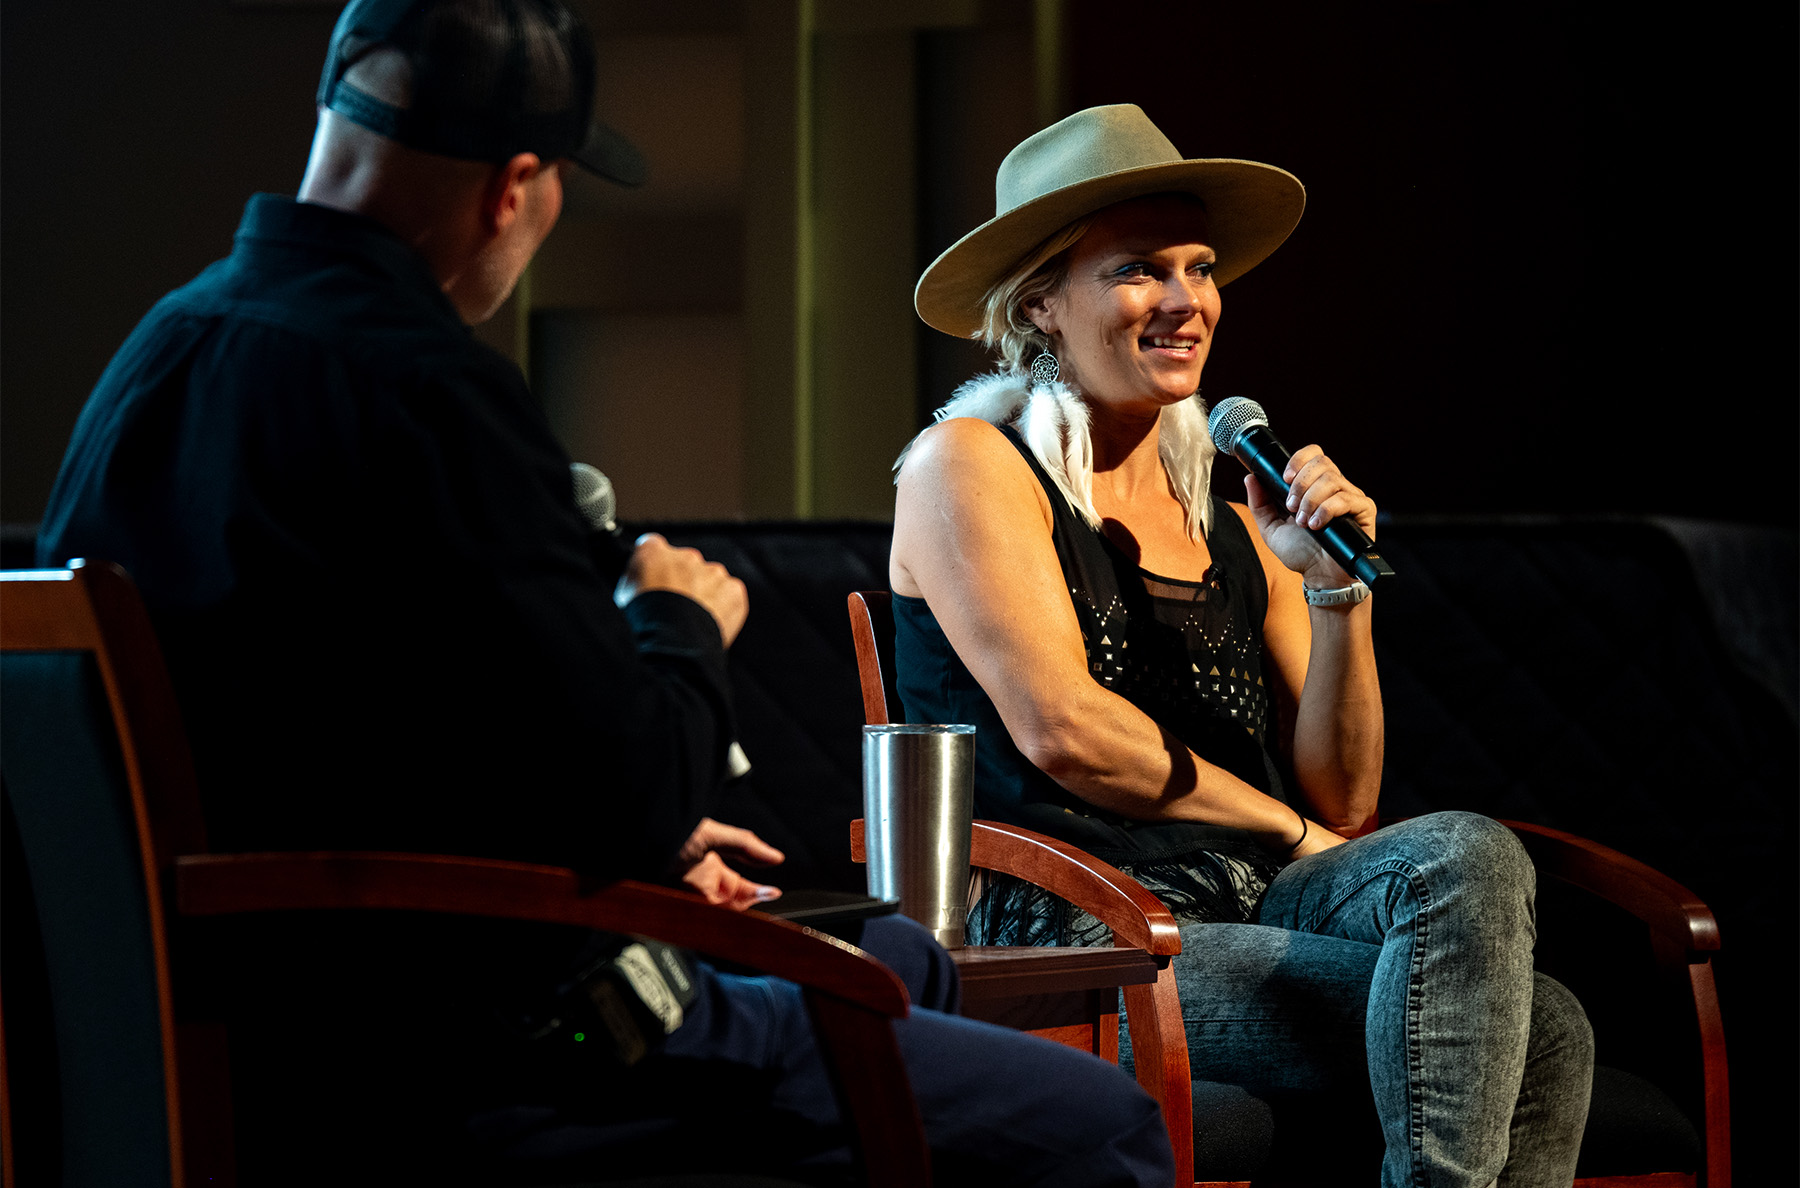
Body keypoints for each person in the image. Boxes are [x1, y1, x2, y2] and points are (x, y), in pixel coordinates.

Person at [34, 8, 1174, 1186]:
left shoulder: (156, 362)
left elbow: (322, 731)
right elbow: (622, 789)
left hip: (261, 1014)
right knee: (1095, 1123)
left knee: (897, 955)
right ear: (513, 188)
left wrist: (646, 839)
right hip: (483, 1050)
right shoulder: (429, 394)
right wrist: (678, 623)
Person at [891, 104, 1596, 1186]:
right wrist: (1285, 827)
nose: (1185, 302)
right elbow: (1069, 733)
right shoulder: (970, 464)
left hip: (1234, 900)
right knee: (1534, 1031)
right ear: (1041, 302)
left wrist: (1332, 595)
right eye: (1137, 271)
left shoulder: (1221, 516)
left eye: (1200, 268)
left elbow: (1348, 803)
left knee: (1475, 865)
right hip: (1068, 936)